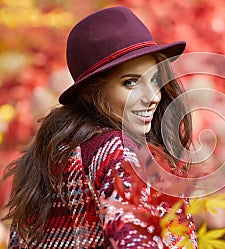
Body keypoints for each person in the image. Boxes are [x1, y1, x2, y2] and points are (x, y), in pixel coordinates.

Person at [2, 6, 197, 248]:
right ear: (91, 92)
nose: (154, 97)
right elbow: (134, 240)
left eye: (155, 80)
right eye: (131, 83)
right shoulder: (120, 150)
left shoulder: (53, 154)